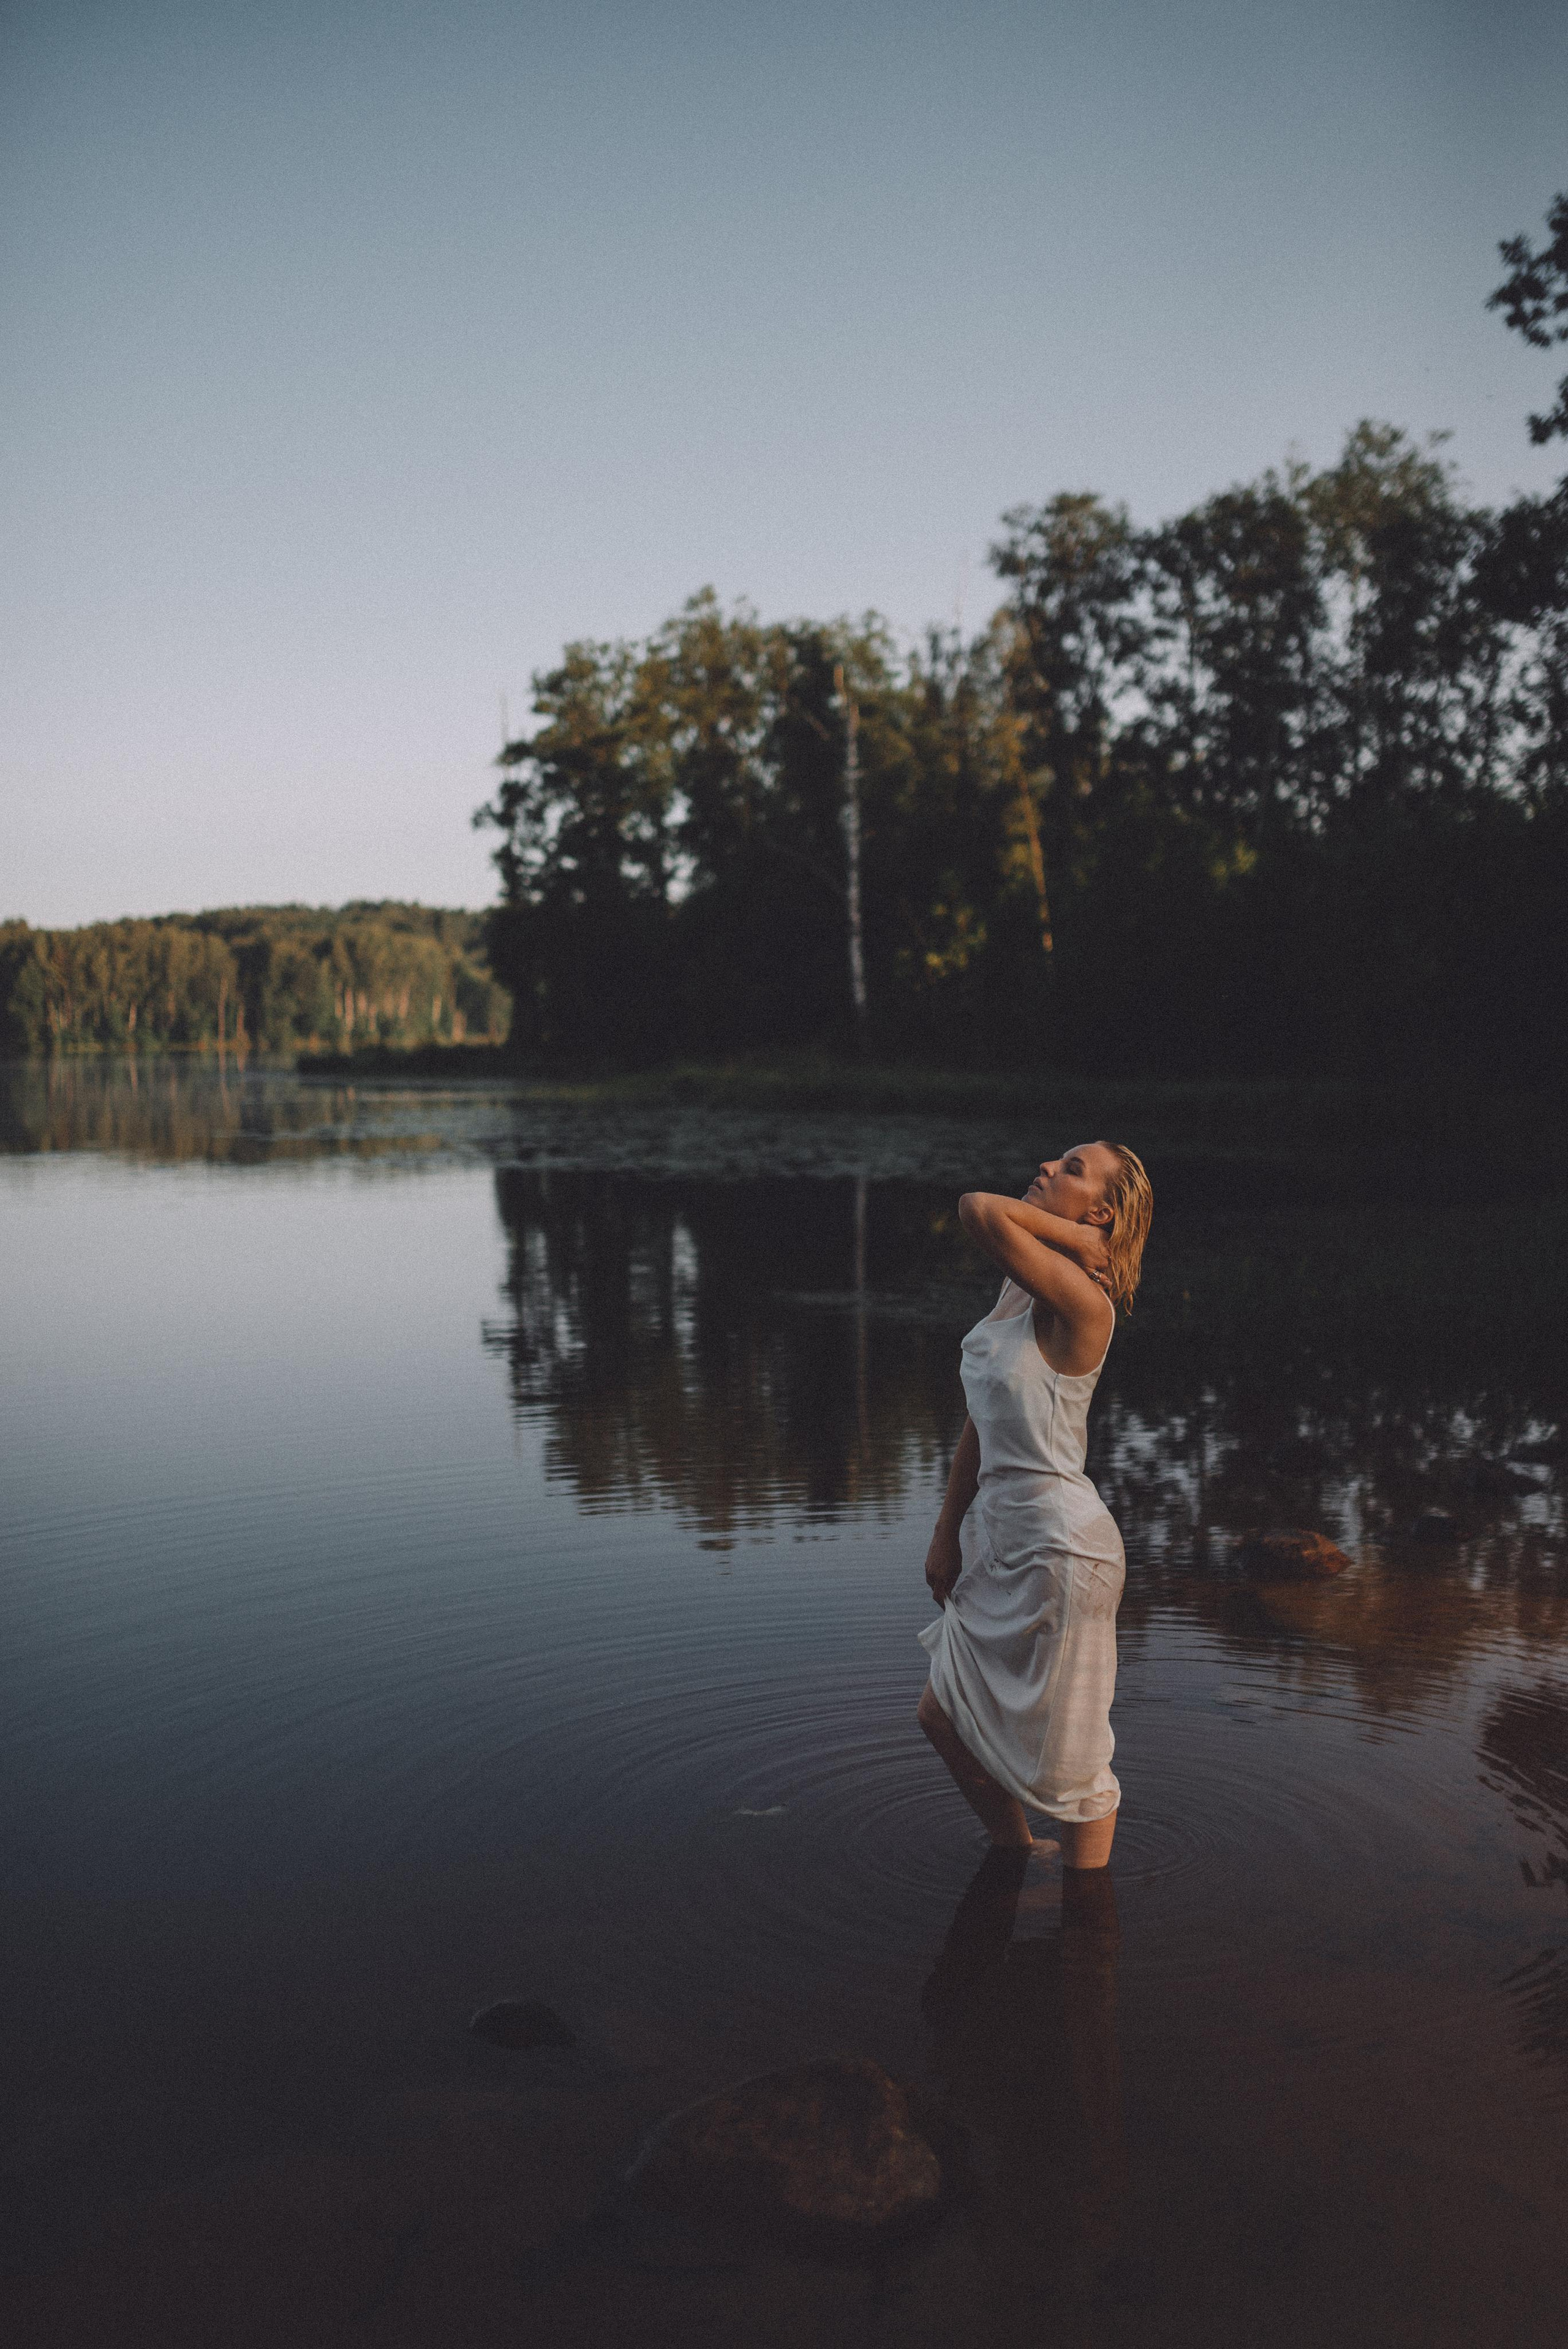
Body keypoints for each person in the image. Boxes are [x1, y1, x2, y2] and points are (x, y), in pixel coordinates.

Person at [917, 1142, 1153, 1872]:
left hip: (1063, 1553)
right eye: (1054, 1160)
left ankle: (1090, 1932)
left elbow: (976, 1209)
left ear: (1102, 1213)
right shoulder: (1022, 1289)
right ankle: (1019, 1856)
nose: (1048, 1168)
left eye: (1071, 1169)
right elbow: (980, 1419)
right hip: (1002, 1539)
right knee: (940, 1716)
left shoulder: (1085, 1301)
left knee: (1079, 1772)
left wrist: (1082, 1242)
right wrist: (945, 1532)